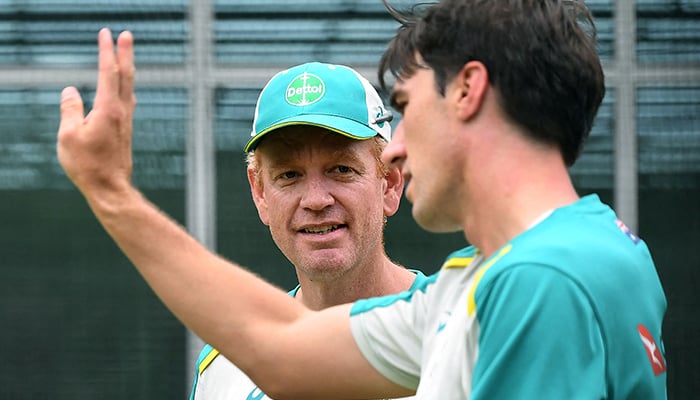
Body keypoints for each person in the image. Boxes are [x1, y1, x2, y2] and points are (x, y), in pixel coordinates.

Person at [57, 0, 667, 398]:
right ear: (258, 190)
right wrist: (111, 195)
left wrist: (112, 195)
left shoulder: (540, 280)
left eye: (404, 108)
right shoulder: (509, 274)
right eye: (289, 175)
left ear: (467, 92)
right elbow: (281, 349)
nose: (397, 148)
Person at [189, 61, 425, 399]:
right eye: (289, 175)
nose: (315, 200)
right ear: (260, 193)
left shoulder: (462, 333)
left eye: (341, 169)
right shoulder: (228, 366)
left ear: (389, 183)